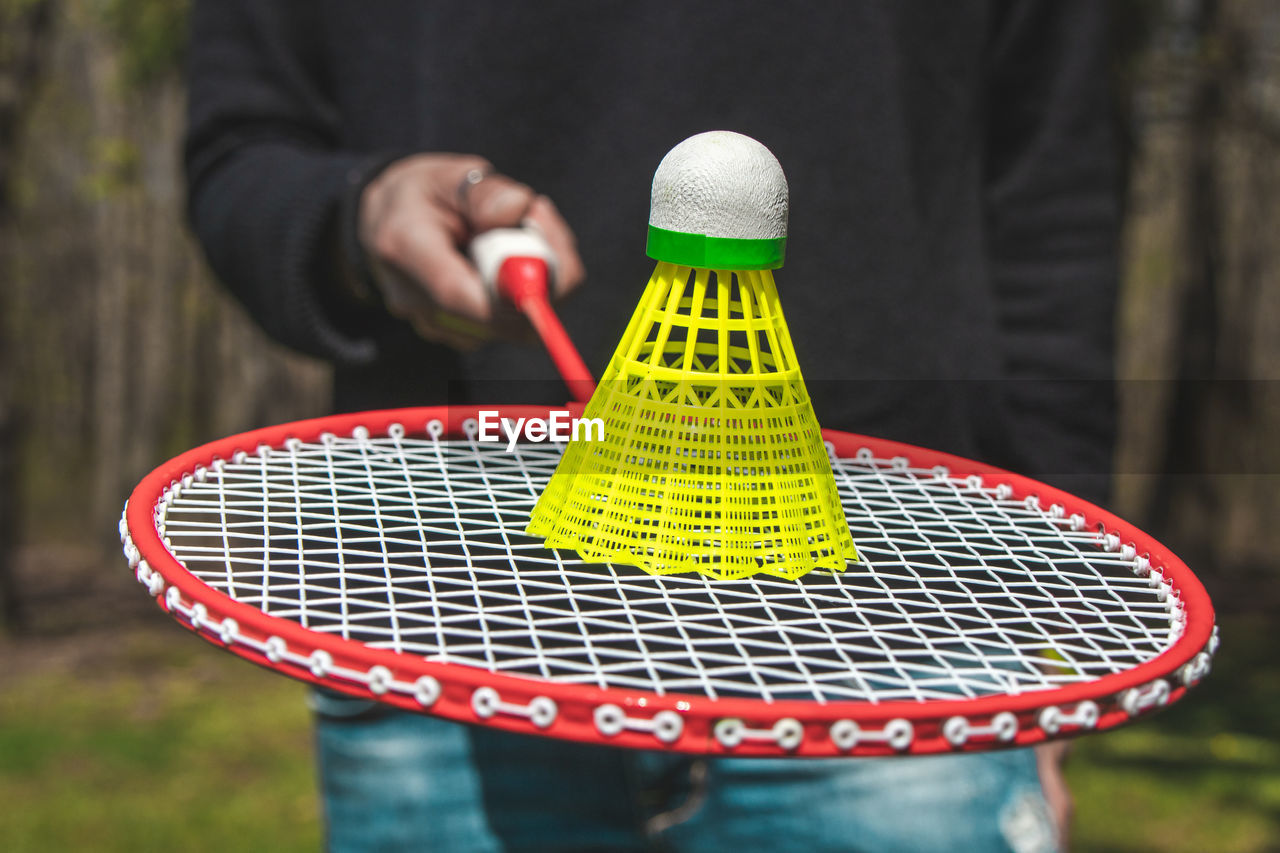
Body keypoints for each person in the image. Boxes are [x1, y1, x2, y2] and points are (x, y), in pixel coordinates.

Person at [184, 3, 1118, 851]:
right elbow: (241, 149)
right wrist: (356, 215)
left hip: (894, 637)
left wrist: (1056, 642)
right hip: (446, 629)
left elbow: (1053, 187)